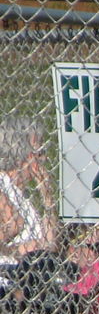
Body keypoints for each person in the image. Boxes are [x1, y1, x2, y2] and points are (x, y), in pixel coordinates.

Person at [0, 115, 57, 274]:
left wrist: (47, 198)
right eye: (39, 152)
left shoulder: (21, 196)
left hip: (31, 280)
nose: (44, 158)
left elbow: (49, 245)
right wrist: (17, 251)